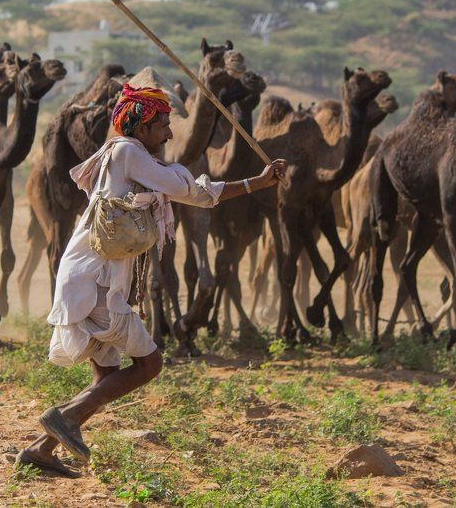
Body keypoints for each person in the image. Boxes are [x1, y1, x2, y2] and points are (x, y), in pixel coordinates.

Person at [16, 83, 286, 477]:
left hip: (94, 276)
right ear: (142, 127)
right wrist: (255, 184)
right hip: (97, 282)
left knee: (107, 378)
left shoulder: (126, 154)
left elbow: (188, 188)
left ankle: (41, 449)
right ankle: (64, 418)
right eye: (163, 125)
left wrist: (254, 183)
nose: (170, 134)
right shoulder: (128, 152)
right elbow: (189, 190)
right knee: (149, 365)